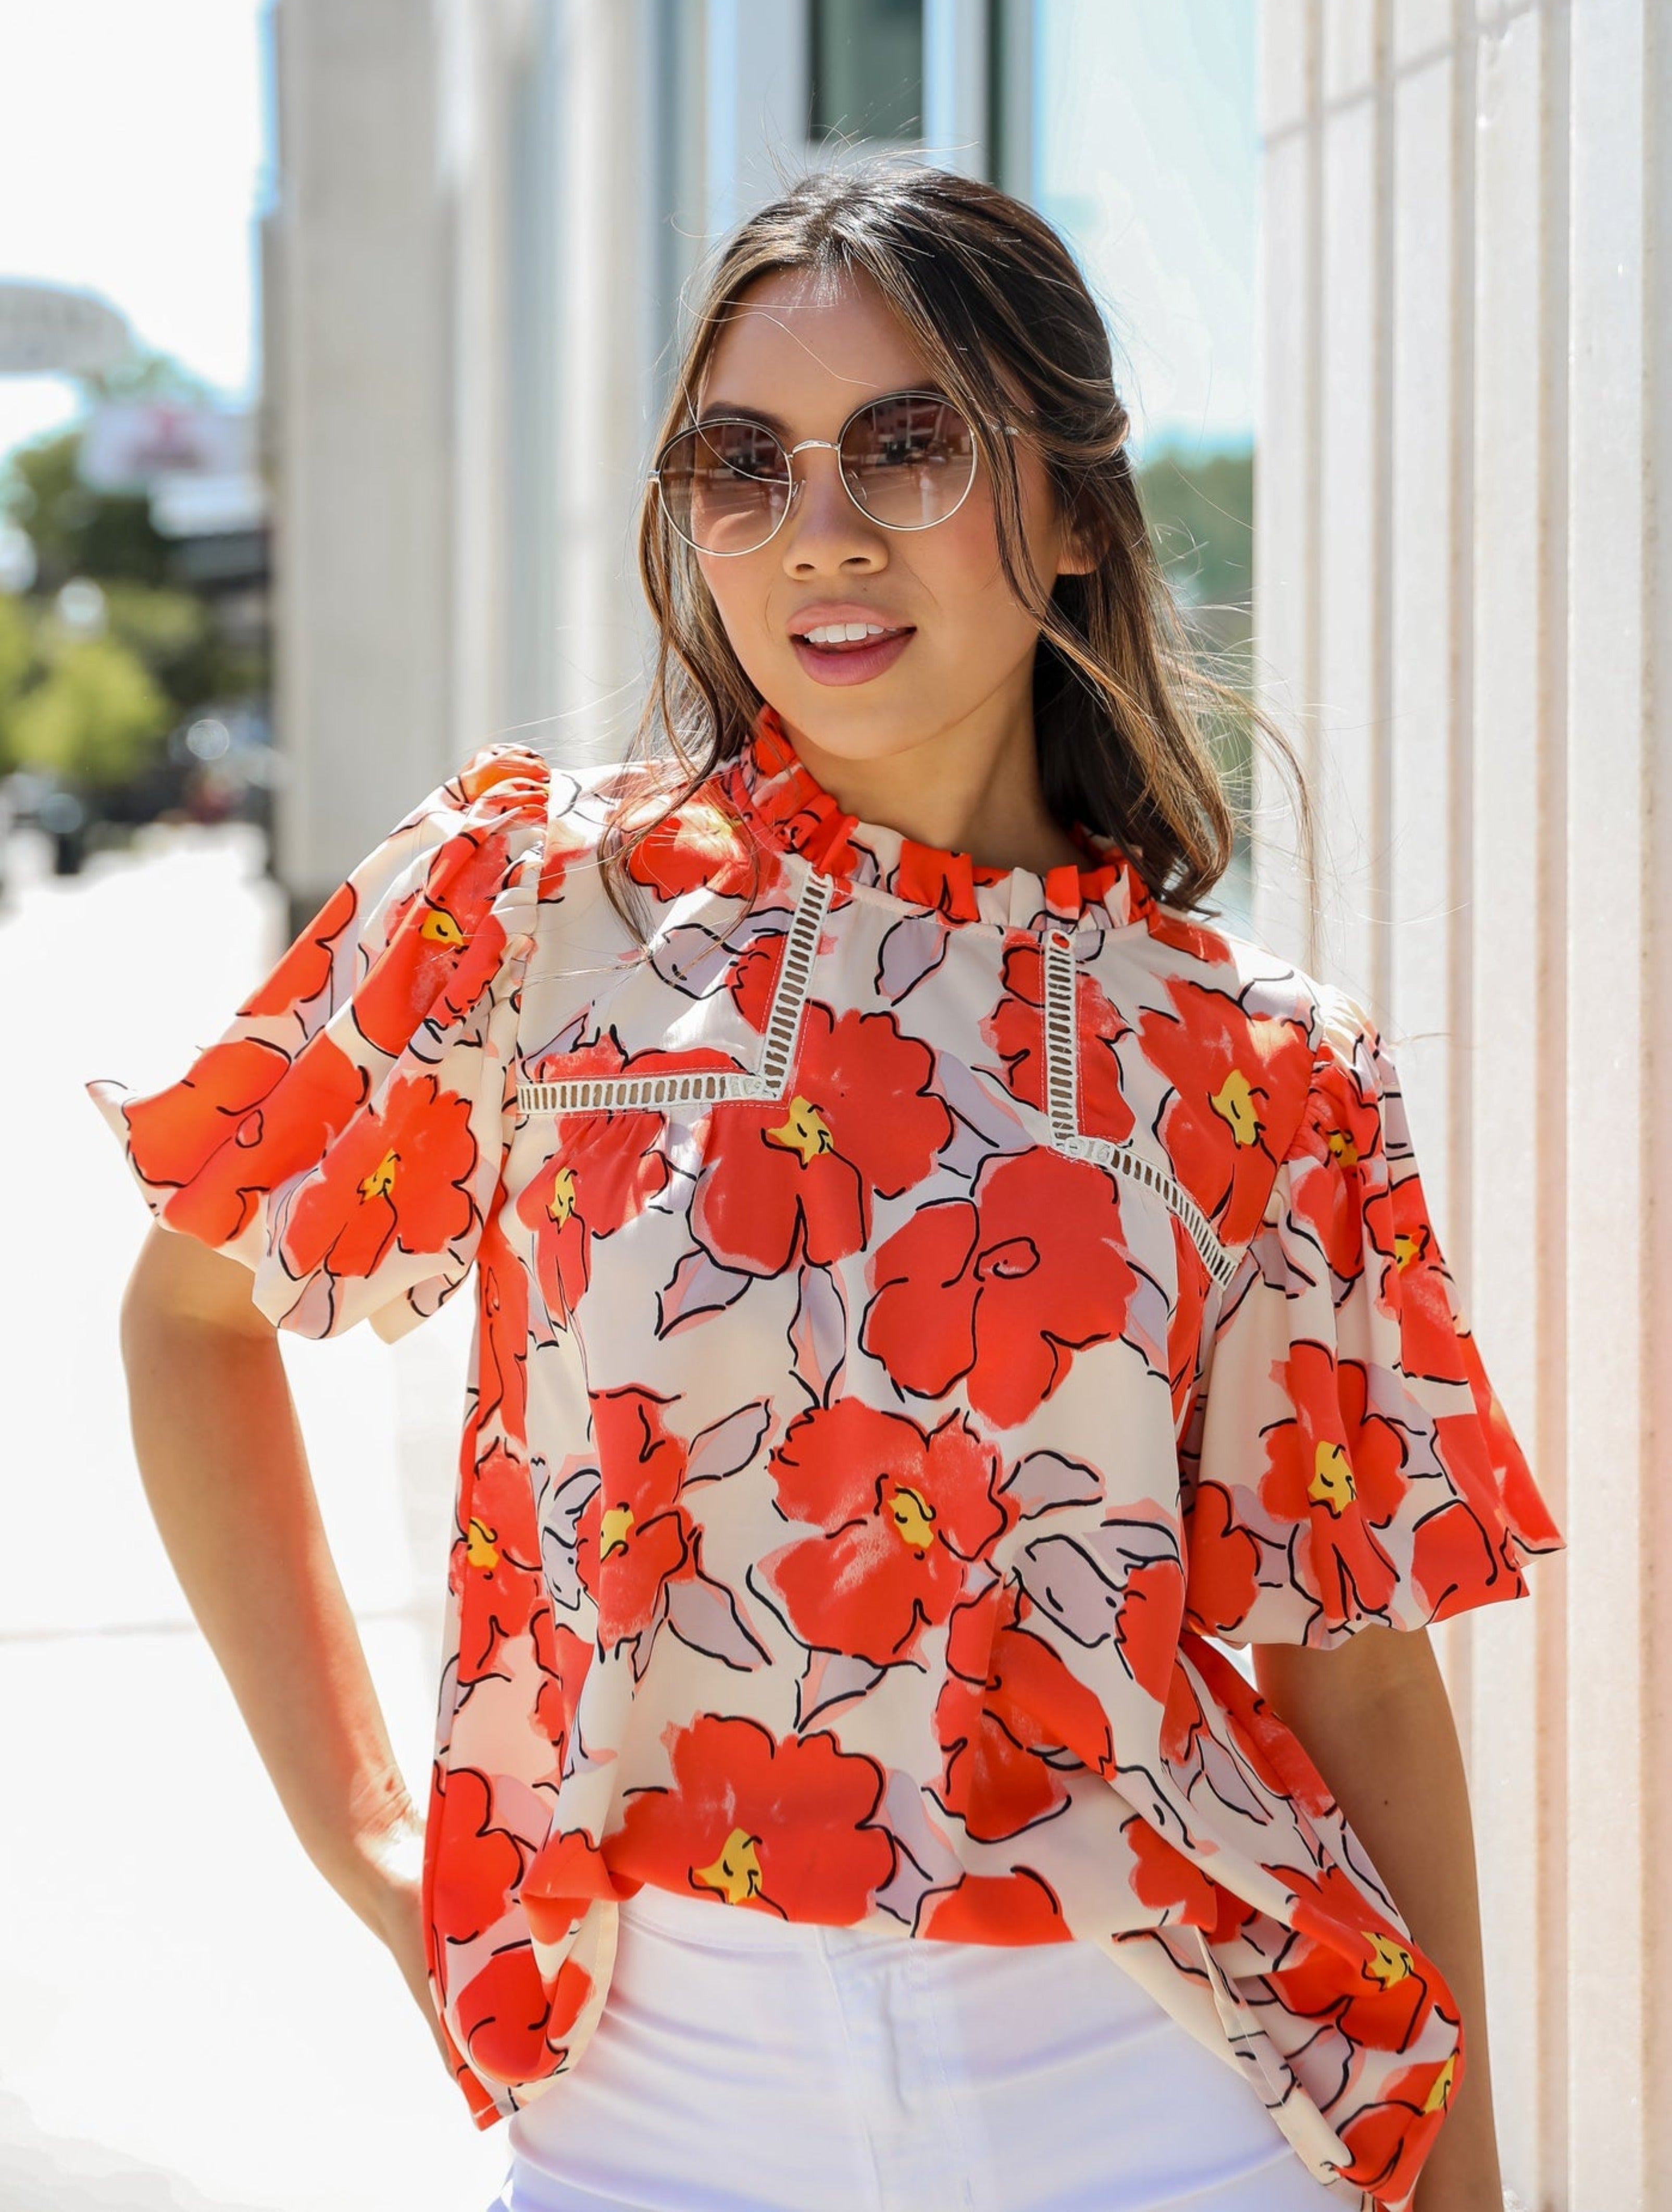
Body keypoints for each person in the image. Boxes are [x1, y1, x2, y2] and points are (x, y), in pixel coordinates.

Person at [88, 159, 1563, 2212]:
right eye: (740, 464)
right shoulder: (523, 913)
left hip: (1160, 2109)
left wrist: (1476, 2189)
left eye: (905, 446)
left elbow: (1360, 1680)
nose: (821, 532)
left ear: (1059, 508)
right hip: (654, 2111)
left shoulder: (1258, 1064)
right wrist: (369, 1836)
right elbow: (191, 1319)